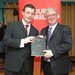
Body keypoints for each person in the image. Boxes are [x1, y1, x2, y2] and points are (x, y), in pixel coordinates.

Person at [3, 4, 39, 75]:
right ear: (23, 13)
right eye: (28, 12)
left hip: (28, 67)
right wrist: (23, 41)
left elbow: (34, 49)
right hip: (12, 66)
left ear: (34, 15)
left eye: (32, 13)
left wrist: (39, 48)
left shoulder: (35, 31)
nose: (30, 15)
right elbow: (6, 41)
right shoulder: (12, 25)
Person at [40, 8, 72, 75]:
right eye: (48, 16)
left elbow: (68, 45)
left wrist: (52, 52)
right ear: (46, 18)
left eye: (53, 15)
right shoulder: (43, 30)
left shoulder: (65, 29)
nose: (51, 17)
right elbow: (42, 46)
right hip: (46, 65)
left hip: (60, 66)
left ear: (57, 16)